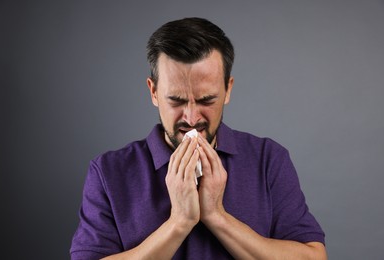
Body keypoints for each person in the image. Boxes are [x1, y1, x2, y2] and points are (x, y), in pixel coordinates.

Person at [70, 17, 326, 259]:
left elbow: (314, 256)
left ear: (228, 90)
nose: (191, 118)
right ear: (154, 92)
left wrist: (217, 216)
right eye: (176, 100)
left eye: (206, 100)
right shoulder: (108, 171)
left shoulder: (269, 159)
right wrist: (179, 222)